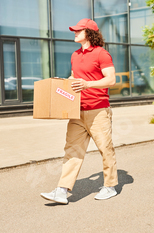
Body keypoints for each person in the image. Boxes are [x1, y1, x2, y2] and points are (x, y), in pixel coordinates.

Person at [40, 18, 118, 204]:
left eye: (78, 30)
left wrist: (87, 84)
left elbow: (111, 80)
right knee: (72, 150)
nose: (74, 33)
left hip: (98, 110)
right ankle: (62, 190)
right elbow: (76, 77)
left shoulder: (101, 54)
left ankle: (110, 186)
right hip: (77, 111)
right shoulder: (75, 55)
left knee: (105, 149)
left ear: (89, 33)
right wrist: (64, 82)